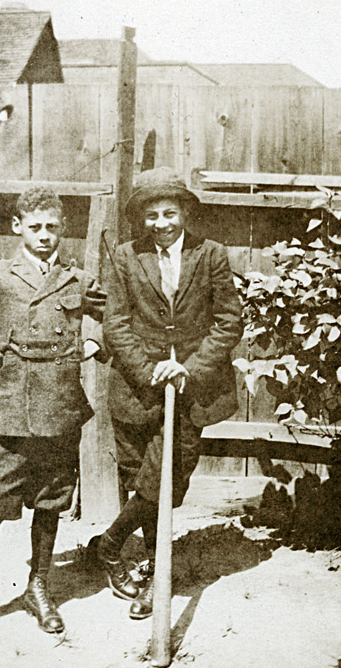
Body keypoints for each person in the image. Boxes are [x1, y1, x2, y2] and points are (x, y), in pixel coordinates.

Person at [0, 186, 106, 643]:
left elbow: (113, 316)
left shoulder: (77, 279)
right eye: (35, 227)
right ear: (18, 226)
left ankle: (38, 588)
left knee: (50, 504)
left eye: (53, 227)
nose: (45, 236)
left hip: (59, 410)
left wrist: (95, 343)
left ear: (62, 229)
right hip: (9, 412)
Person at [95, 167, 244, 619]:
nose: (161, 224)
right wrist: (150, 372)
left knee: (167, 479)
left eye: (169, 213)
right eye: (152, 216)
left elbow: (229, 321)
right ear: (141, 219)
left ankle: (111, 542)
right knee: (136, 473)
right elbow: (115, 324)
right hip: (138, 388)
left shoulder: (211, 254)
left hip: (192, 389)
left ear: (183, 212)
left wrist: (189, 368)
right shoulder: (125, 257)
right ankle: (154, 578)